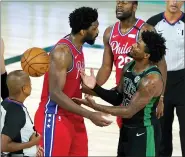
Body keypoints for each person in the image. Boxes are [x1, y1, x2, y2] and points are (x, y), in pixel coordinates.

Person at [34, 7, 112, 157]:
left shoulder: (78, 46)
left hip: (73, 116)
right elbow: (55, 93)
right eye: (94, 28)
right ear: (82, 31)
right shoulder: (62, 52)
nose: (97, 32)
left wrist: (88, 88)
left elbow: (69, 85)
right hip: (55, 116)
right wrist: (90, 115)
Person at [74, 31, 166, 157]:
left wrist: (95, 107)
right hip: (126, 129)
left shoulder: (151, 80)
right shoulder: (129, 66)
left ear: (146, 55)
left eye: (138, 45)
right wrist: (95, 87)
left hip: (144, 133)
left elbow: (129, 111)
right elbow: (118, 97)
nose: (133, 45)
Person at [82, 0, 167, 129]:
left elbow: (161, 65)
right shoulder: (109, 32)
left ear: (134, 6)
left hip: (144, 92)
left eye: (125, 2)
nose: (119, 5)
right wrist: (93, 87)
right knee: (126, 135)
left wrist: (161, 97)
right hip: (123, 93)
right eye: (118, 2)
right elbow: (106, 67)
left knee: (144, 134)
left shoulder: (145, 30)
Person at [146, 1, 185, 156]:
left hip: (183, 82)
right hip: (160, 82)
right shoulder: (152, 23)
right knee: (162, 133)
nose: (174, 2)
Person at [1, 70, 43, 157]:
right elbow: (4, 146)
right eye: (30, 84)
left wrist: (34, 143)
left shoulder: (7, 103)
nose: (31, 86)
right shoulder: (16, 113)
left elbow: (18, 130)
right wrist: (32, 143)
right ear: (24, 89)